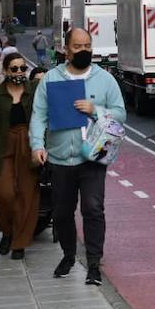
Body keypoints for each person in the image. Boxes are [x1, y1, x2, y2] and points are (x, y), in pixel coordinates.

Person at [31, 27, 126, 285]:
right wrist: (37, 145)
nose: (83, 51)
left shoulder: (105, 80)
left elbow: (120, 113)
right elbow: (39, 116)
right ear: (66, 49)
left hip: (92, 158)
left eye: (87, 46)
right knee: (61, 213)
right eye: (77, 47)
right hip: (60, 159)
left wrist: (96, 109)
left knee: (93, 209)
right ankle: (69, 255)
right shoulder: (51, 79)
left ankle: (94, 264)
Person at [0, 52, 43, 260]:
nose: (19, 72)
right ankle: (6, 229)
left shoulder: (35, 91)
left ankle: (19, 242)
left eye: (23, 68)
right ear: (5, 70)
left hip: (29, 144)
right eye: (14, 69)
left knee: (26, 196)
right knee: (5, 195)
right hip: (2, 146)